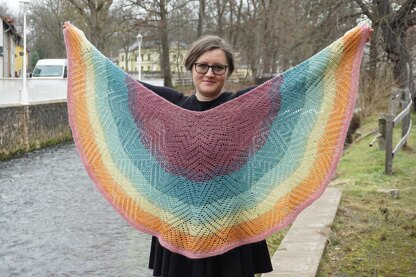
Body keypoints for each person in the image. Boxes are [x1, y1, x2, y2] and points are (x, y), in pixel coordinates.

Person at [141, 35, 273, 277]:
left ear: (228, 71)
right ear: (191, 66)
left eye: (218, 67)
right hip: (178, 222)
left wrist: (347, 46)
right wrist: (80, 47)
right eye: (202, 65)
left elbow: (296, 83)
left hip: (230, 221)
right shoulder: (172, 105)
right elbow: (118, 83)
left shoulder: (242, 105)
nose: (209, 73)